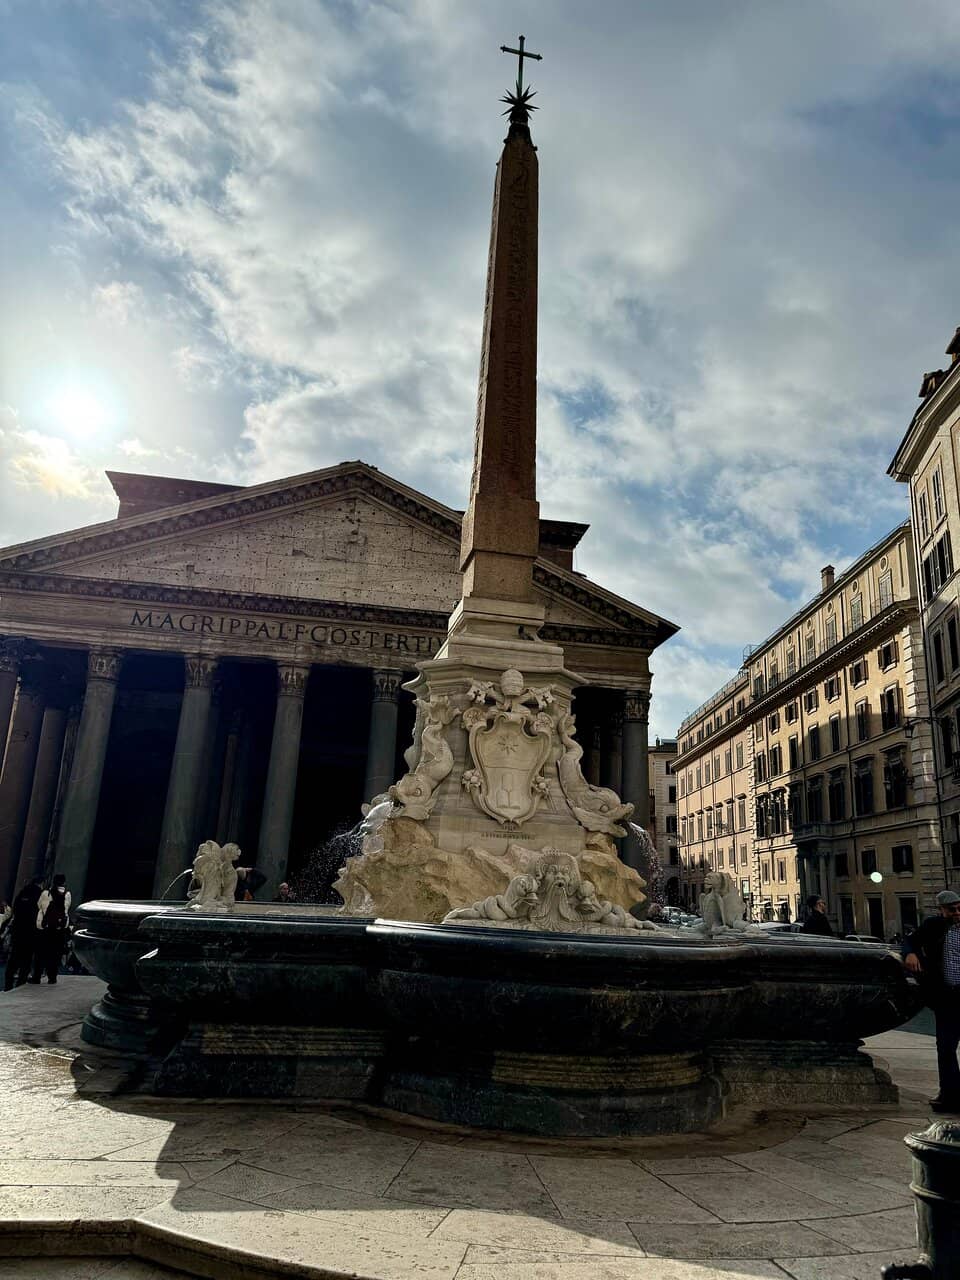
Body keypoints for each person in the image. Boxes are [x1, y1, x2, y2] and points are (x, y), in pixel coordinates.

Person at [902, 888, 960, 1112]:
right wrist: (910, 953)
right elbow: (910, 941)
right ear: (941, 910)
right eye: (952, 910)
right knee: (945, 1048)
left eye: (959, 908)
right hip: (946, 996)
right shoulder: (933, 926)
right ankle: (949, 1095)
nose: (957, 913)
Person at [30, 874, 71, 985]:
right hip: (59, 928)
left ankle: (37, 977)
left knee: (40, 952)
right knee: (55, 953)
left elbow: (39, 905)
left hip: (45, 927)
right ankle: (52, 977)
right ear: (64, 882)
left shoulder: (46, 893)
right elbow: (67, 908)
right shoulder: (67, 894)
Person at [3, 879, 43, 991]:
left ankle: (8, 985)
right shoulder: (40, 895)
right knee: (26, 959)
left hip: (18, 930)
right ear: (41, 883)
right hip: (31, 932)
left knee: (13, 958)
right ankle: (20, 983)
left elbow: (15, 910)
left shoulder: (22, 893)